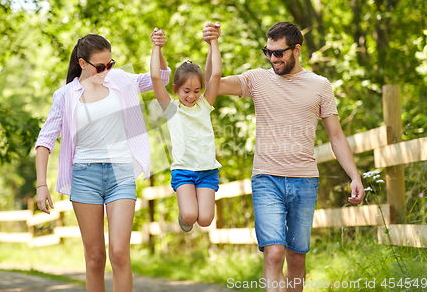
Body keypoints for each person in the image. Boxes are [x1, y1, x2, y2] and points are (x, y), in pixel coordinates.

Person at [203, 22, 365, 292]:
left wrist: (355, 176)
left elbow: (336, 136)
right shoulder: (257, 79)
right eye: (268, 52)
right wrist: (212, 45)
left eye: (279, 53)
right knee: (275, 253)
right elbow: (213, 85)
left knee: (297, 259)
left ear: (296, 50)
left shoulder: (320, 86)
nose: (273, 58)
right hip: (267, 179)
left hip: (305, 181)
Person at [34, 33, 170, 292]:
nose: (106, 70)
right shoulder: (65, 95)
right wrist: (42, 185)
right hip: (85, 177)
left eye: (111, 64)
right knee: (95, 258)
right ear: (82, 63)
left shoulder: (120, 80)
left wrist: (157, 48)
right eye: (100, 66)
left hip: (121, 173)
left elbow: (161, 78)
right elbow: (45, 142)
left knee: (119, 253)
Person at [149, 23, 222, 232]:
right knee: (190, 215)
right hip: (183, 171)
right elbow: (155, 78)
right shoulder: (171, 109)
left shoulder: (205, 105)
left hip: (207, 170)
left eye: (197, 90)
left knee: (206, 220)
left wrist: (213, 42)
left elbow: (215, 74)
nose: (192, 96)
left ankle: (191, 216)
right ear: (176, 89)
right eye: (186, 91)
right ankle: (184, 216)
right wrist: (156, 47)